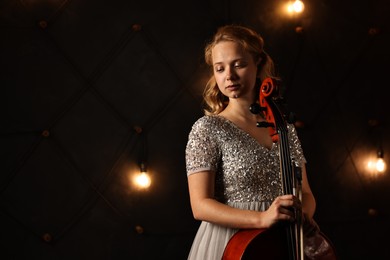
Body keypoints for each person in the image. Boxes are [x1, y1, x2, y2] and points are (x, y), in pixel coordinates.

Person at [185, 24, 317, 260]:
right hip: (231, 243)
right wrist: (262, 219)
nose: (230, 76)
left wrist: (303, 216)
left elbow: (305, 193)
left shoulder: (284, 129)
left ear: (259, 64)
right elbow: (200, 205)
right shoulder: (207, 128)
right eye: (220, 68)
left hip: (282, 240)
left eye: (239, 64)